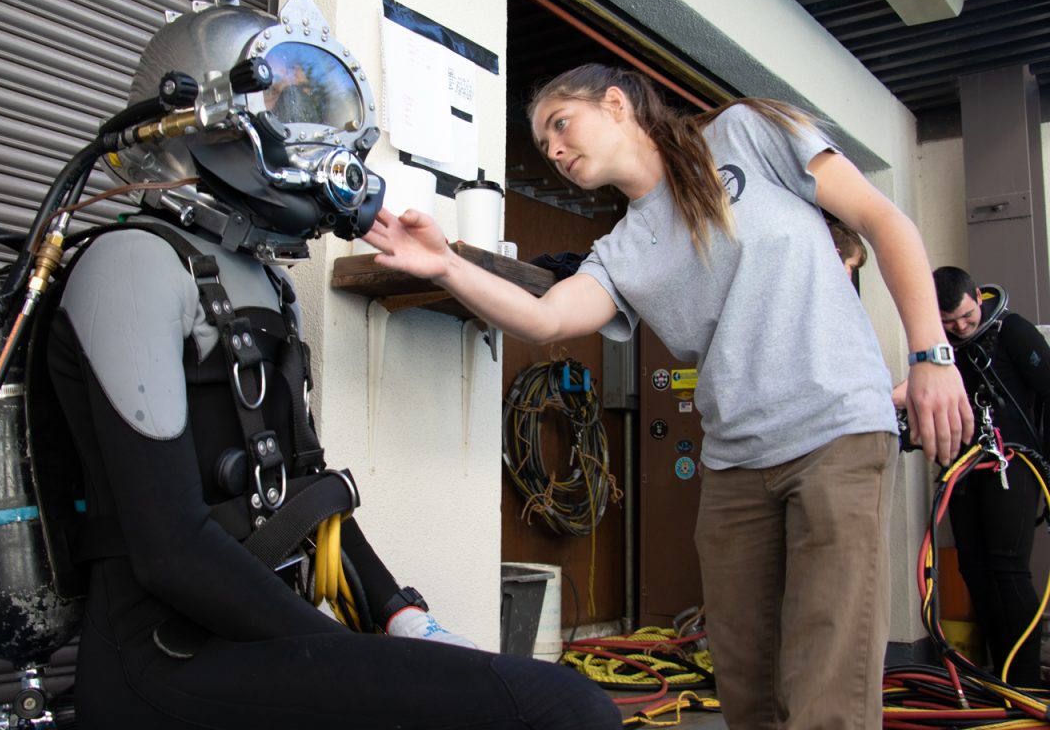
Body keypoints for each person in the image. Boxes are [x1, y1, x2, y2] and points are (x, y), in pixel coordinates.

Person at [39, 0, 622, 730]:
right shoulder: (133, 264)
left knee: (536, 691)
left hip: (254, 635)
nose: (321, 141)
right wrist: (361, 666)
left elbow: (308, 494)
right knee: (565, 708)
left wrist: (399, 617)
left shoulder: (266, 283)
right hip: (161, 658)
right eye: (290, 107)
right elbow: (169, 549)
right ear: (204, 115)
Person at [364, 63, 972, 729]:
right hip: (735, 464)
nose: (555, 150)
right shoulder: (622, 247)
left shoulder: (746, 133)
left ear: (617, 103)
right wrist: (448, 266)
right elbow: (546, 318)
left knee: (827, 679)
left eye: (560, 125)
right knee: (747, 686)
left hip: (837, 432)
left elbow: (881, 218)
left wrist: (931, 354)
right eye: (542, 146)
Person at [899, 266, 1049, 687]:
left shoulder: (1013, 331)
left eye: (967, 317)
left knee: (1008, 568)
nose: (962, 328)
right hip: (963, 468)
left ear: (979, 297)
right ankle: (996, 671)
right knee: (974, 568)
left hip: (1013, 464)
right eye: (950, 323)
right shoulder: (940, 349)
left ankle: (1024, 682)